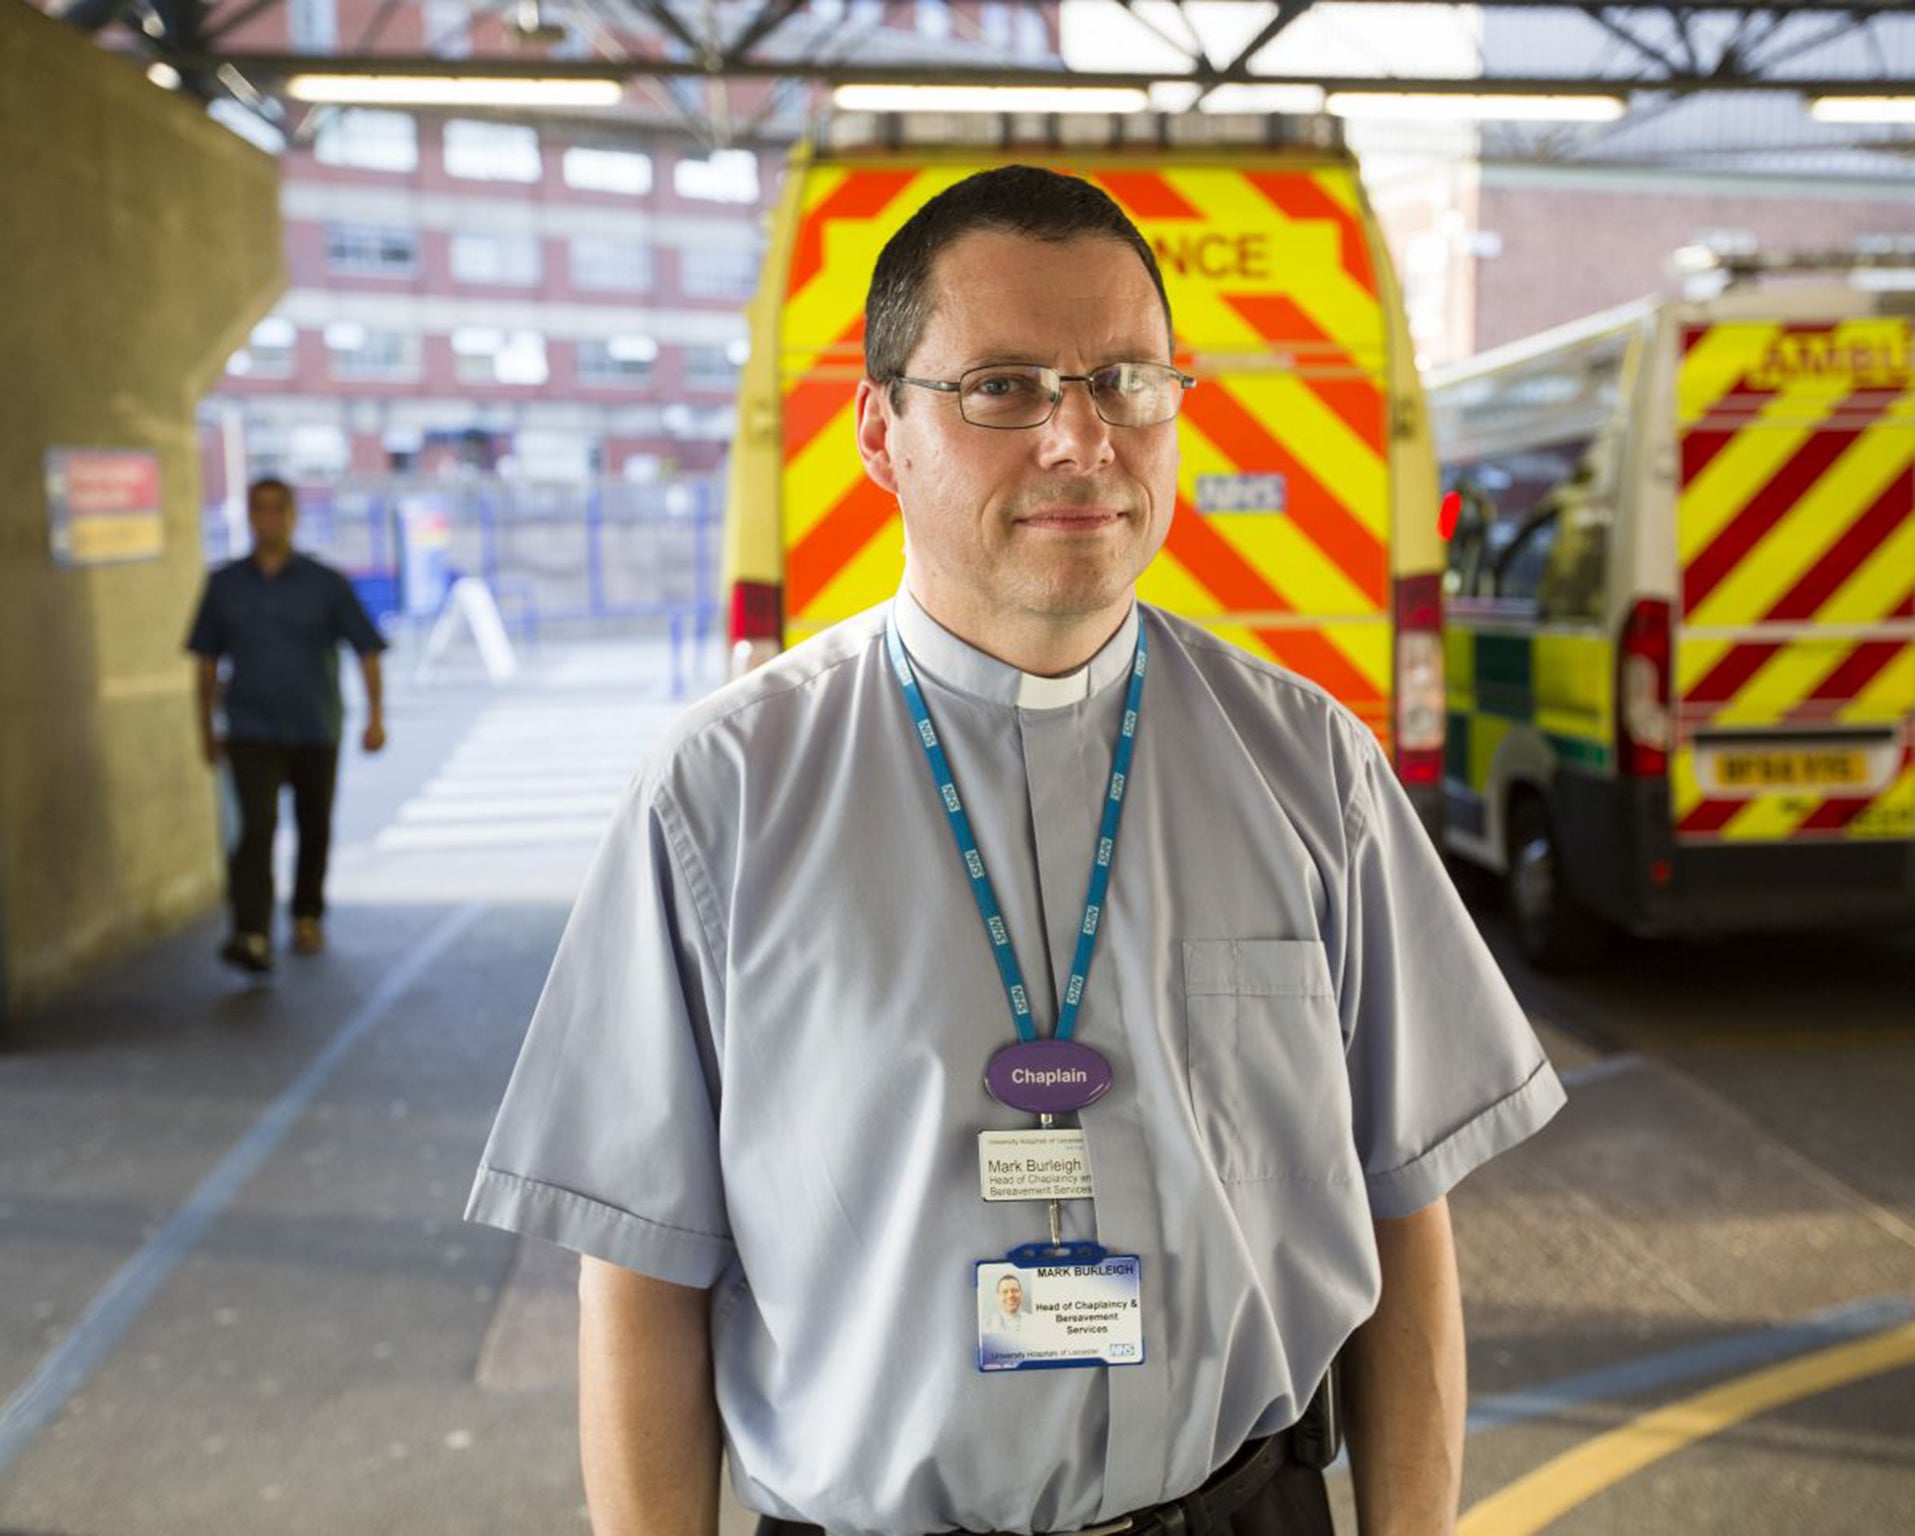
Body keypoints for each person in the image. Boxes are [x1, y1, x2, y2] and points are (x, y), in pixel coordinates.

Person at [467, 167, 1564, 1536]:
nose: (1079, 439)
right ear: (880, 432)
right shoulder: (723, 799)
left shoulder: (1312, 769)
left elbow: (1407, 1212)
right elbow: (639, 1281)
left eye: (1125, 381)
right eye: (1002, 387)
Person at [187, 477, 388, 972]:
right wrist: (205, 729)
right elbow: (207, 662)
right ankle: (251, 931)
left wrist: (376, 716)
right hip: (250, 728)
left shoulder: (325, 582)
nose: (268, 518)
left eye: (278, 509)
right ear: (249, 516)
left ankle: (306, 915)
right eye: (259, 509)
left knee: (313, 825)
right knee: (256, 830)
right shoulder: (225, 584)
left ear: (294, 516)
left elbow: (366, 650)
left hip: (316, 725)